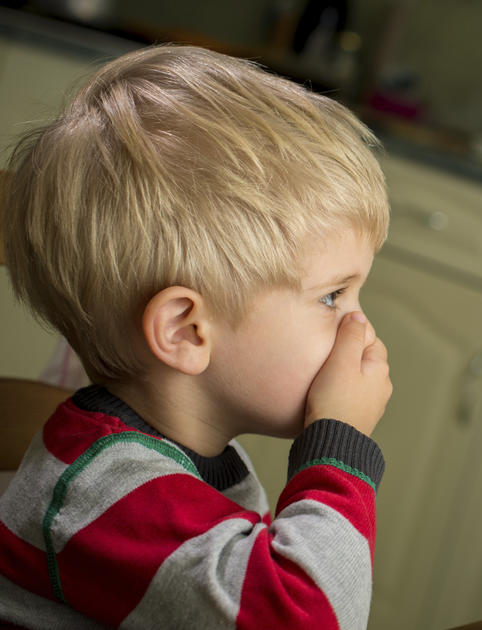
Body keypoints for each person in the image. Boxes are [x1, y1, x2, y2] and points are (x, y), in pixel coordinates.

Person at [0, 44, 392, 629]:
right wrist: (338, 450)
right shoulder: (105, 494)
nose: (359, 328)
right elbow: (305, 620)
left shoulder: (195, 459)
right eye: (332, 296)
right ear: (186, 330)